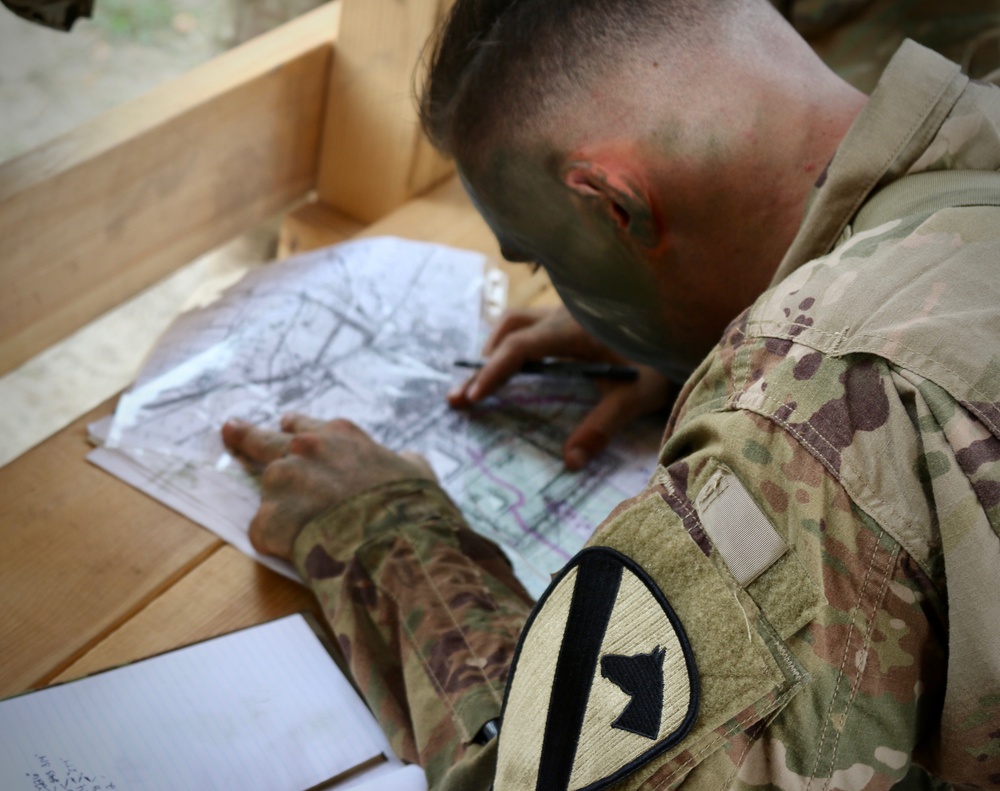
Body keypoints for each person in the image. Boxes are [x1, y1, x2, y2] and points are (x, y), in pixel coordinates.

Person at [221, 0, 1000, 788]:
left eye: (539, 259)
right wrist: (683, 311)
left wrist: (387, 539)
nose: (553, 288)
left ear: (618, 206)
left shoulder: (811, 419)